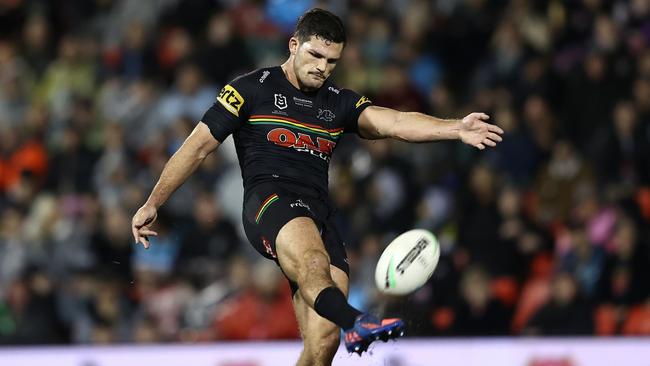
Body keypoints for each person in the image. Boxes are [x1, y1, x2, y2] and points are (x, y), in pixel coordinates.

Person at [131, 8, 504, 365]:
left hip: (319, 211)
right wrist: (153, 202)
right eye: (315, 55)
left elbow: (394, 122)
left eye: (331, 61)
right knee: (313, 262)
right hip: (269, 200)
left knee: (323, 342)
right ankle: (360, 322)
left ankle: (347, 324)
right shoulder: (249, 89)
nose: (322, 68)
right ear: (294, 45)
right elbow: (197, 148)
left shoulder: (338, 102)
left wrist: (455, 128)